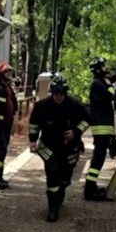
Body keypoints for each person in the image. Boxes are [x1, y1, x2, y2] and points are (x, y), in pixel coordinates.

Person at [28, 74, 90, 222]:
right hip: (49, 145)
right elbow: (34, 124)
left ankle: (61, 190)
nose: (58, 97)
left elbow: (88, 119)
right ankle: (52, 208)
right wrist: (33, 140)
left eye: (61, 94)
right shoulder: (42, 106)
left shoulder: (75, 105)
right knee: (52, 172)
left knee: (65, 177)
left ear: (65, 92)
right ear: (52, 92)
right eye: (56, 93)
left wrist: (75, 132)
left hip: (70, 147)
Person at [84, 56, 116, 201]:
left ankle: (91, 186)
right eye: (104, 66)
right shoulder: (98, 84)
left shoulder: (98, 83)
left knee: (99, 158)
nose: (107, 68)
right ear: (98, 69)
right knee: (98, 159)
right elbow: (110, 96)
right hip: (102, 128)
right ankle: (89, 189)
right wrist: (111, 86)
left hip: (104, 127)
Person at [0, 62, 18, 189]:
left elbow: (13, 102)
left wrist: (13, 121)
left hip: (6, 124)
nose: (9, 74)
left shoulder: (8, 87)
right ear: (1, 74)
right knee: (1, 149)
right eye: (6, 72)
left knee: (3, 149)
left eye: (9, 72)